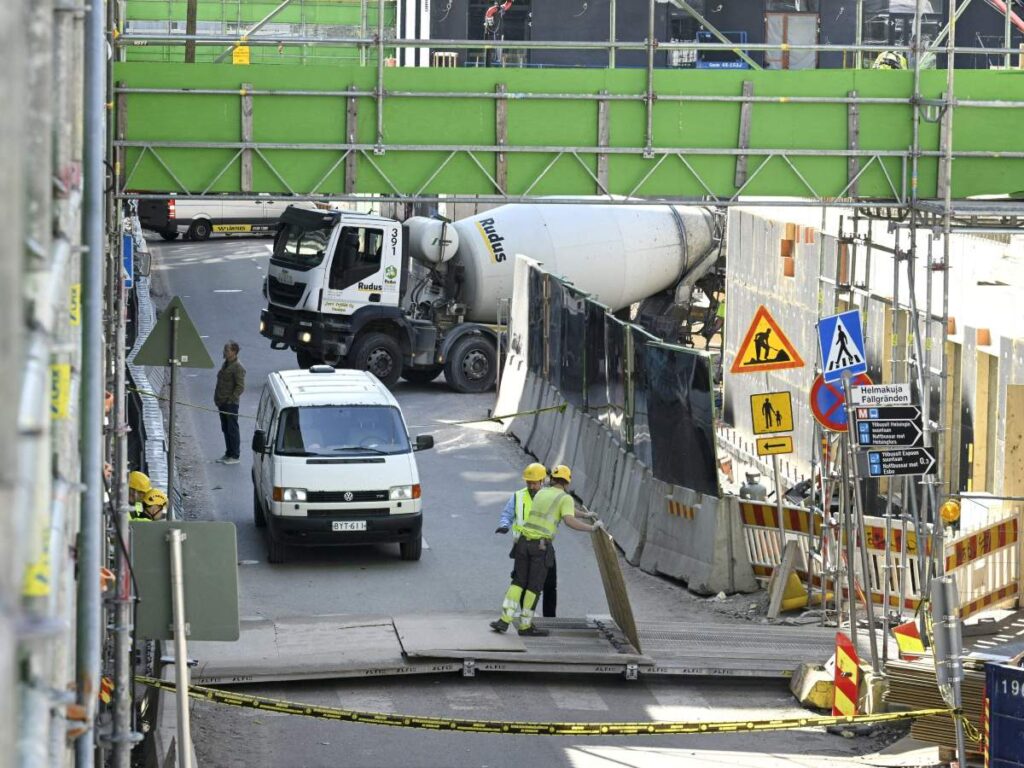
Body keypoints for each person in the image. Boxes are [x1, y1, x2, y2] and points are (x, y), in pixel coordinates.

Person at [490, 464, 601, 636]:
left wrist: (585, 515)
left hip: (522, 543)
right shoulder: (565, 498)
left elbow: (565, 510)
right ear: (567, 483)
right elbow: (568, 519)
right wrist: (591, 528)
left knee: (518, 582)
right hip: (540, 547)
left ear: (550, 480)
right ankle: (525, 626)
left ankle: (504, 621)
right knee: (534, 586)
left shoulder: (542, 493)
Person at [495, 463, 560, 618]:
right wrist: (504, 525)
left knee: (549, 585)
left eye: (534, 482)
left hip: (544, 547)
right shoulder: (518, 496)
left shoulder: (550, 497)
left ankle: (549, 618)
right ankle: (526, 616)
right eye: (528, 482)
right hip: (523, 547)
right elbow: (507, 514)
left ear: (542, 481)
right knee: (523, 584)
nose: (531, 486)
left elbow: (565, 511)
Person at [214, 340, 246, 464]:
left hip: (230, 404)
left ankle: (235, 455)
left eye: (227, 350)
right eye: (225, 350)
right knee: (225, 428)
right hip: (222, 401)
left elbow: (240, 387)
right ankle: (228, 453)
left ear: (234, 352)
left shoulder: (238, 367)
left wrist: (231, 399)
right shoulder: (226, 364)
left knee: (232, 429)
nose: (225, 352)